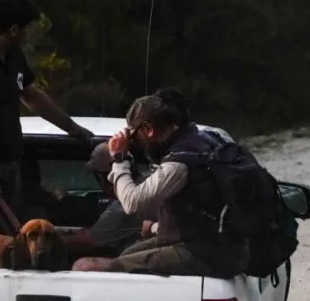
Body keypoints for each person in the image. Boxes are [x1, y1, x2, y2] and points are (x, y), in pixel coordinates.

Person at [0, 0, 94, 238]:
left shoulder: (13, 56)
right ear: (14, 30)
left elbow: (32, 96)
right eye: (25, 29)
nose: (27, 35)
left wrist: (73, 129)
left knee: (11, 244)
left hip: (9, 170)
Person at [72, 88, 250, 277]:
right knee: (128, 254)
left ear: (148, 129)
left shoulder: (180, 162)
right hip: (214, 246)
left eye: (134, 136)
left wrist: (119, 159)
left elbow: (132, 203)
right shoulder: (202, 142)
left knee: (95, 267)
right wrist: (156, 227)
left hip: (204, 253)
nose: (135, 143)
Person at [63, 142, 149, 258]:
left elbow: (88, 241)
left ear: (106, 178)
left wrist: (54, 238)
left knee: (84, 265)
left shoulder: (121, 208)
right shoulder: (151, 185)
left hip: (140, 263)